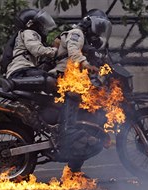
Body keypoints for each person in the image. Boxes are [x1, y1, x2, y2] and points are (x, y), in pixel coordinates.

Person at [50, 9, 112, 176]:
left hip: (75, 79)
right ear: (88, 24)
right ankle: (68, 130)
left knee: (90, 114)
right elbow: (73, 51)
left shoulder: (90, 42)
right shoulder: (77, 33)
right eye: (98, 26)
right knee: (74, 96)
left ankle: (74, 170)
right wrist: (86, 64)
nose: (99, 31)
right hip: (62, 77)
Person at [6, 8, 58, 79]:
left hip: (20, 71)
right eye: (40, 24)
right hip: (21, 70)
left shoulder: (22, 35)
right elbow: (37, 50)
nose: (42, 27)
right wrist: (54, 51)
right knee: (50, 79)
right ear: (30, 24)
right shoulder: (28, 32)